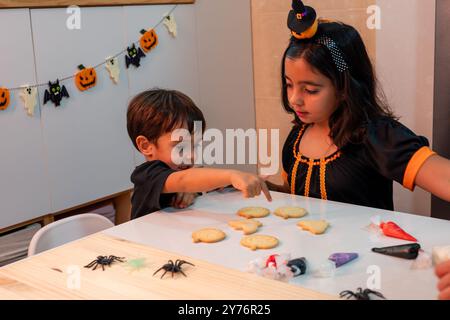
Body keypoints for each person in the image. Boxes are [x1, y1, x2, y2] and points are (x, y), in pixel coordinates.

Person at [267, 0, 450, 210]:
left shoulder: (376, 137)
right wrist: (257, 186)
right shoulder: (295, 139)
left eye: (310, 90)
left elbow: (445, 178)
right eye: (289, 85)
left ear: (345, 86)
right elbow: (295, 199)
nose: (294, 99)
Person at [127, 89, 271, 219]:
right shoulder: (147, 175)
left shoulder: (187, 171)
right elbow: (183, 181)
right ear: (146, 146)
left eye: (194, 145)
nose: (191, 156)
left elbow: (206, 183)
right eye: (181, 147)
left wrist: (247, 182)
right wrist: (231, 175)